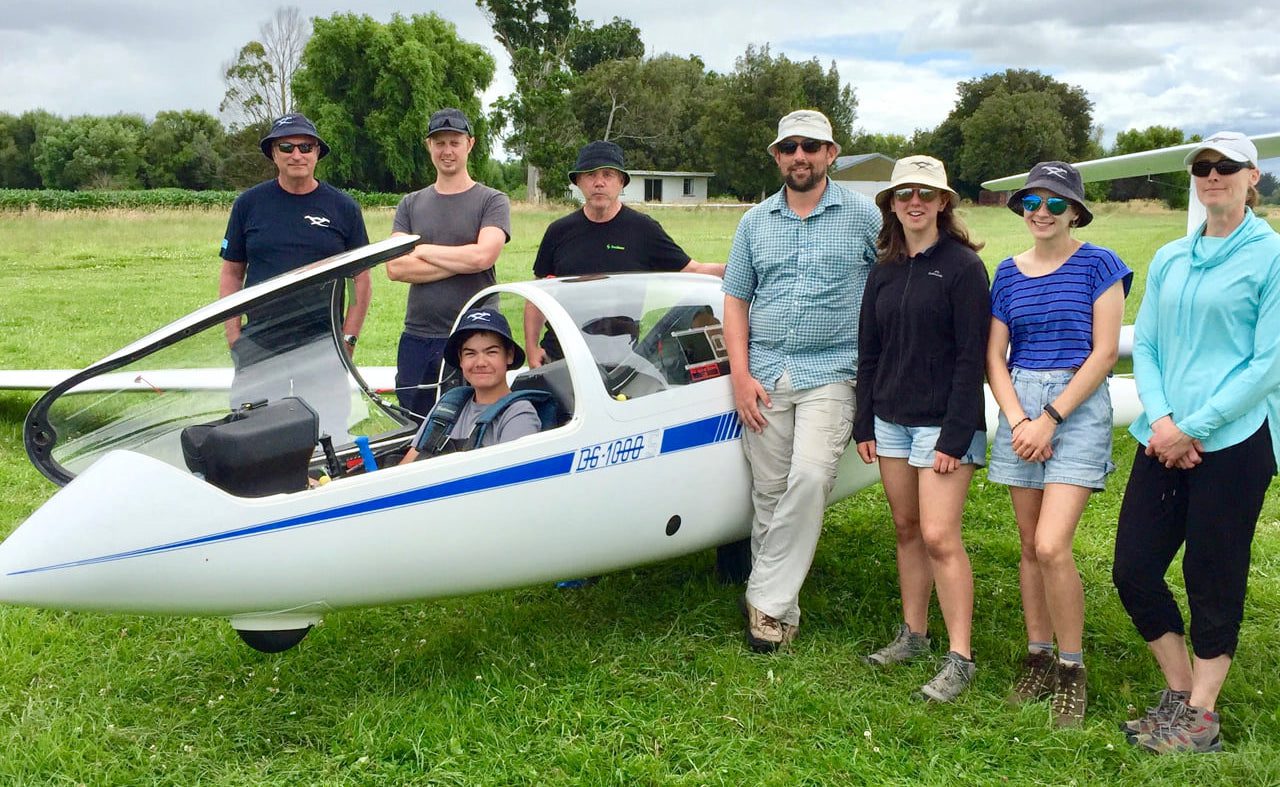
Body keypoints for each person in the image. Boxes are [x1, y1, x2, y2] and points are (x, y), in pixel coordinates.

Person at [1112, 132, 1280, 754]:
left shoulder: (1270, 256)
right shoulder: (1170, 257)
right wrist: (1162, 423)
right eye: (1203, 168)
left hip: (1234, 441)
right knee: (1133, 568)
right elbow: (1148, 346)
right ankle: (1181, 692)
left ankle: (1202, 715)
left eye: (1226, 167)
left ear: (1252, 177)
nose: (1213, 176)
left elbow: (1269, 364)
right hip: (1164, 437)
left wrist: (1193, 427)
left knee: (1212, 573)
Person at [722, 109, 880, 653]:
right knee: (768, 493)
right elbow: (737, 299)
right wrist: (740, 376)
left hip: (832, 371)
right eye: (788, 147)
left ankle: (762, 600)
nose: (799, 156)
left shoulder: (864, 217)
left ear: (831, 154)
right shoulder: (754, 222)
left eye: (811, 147)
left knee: (810, 478)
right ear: (776, 156)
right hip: (764, 373)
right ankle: (779, 612)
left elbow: (897, 276)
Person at [985, 161, 1131, 726]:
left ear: (1075, 211)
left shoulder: (1100, 264)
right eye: (1030, 203)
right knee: (1027, 545)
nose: (1041, 212)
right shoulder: (1007, 272)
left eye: (1053, 203)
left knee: (1051, 545)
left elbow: (1105, 353)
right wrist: (1020, 418)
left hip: (1075, 408)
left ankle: (1072, 667)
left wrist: (1050, 417)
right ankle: (1038, 655)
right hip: (1021, 407)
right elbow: (995, 355)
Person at [853, 156, 990, 701]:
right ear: (891, 205)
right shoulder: (883, 268)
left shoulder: (961, 268)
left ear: (942, 204)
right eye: (904, 193)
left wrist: (956, 436)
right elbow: (870, 350)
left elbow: (970, 356)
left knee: (939, 535)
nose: (915, 202)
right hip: (889, 420)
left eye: (926, 194)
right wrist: (864, 418)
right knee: (906, 529)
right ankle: (914, 633)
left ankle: (961, 657)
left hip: (943, 425)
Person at [219, 113, 371, 442]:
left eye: (306, 146)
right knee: (252, 434)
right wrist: (234, 335)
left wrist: (348, 339)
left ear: (317, 152)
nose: (296, 155)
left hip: (322, 344)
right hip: (259, 341)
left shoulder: (343, 207)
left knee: (328, 433)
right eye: (286, 146)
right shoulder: (248, 204)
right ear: (273, 153)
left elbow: (361, 280)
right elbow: (232, 272)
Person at [523, 140, 723, 367]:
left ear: (621, 182)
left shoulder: (644, 229)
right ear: (578, 182)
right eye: (590, 175)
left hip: (621, 358)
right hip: (562, 353)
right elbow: (537, 295)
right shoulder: (558, 231)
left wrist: (733, 269)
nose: (599, 183)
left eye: (607, 175)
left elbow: (693, 270)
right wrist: (531, 347)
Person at [387, 108, 511, 417]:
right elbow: (395, 268)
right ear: (428, 146)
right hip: (417, 336)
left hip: (474, 337)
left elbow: (484, 256)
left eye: (454, 142)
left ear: (470, 144)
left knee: (472, 424)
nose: (447, 151)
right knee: (414, 424)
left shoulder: (492, 200)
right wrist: (464, 259)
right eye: (439, 142)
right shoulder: (410, 204)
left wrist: (422, 249)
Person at [399, 306, 541, 463]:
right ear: (460, 359)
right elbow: (407, 466)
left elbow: (509, 480)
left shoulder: (518, 414)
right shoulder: (449, 404)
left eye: (491, 352)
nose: (480, 363)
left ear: (509, 355)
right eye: (470, 353)